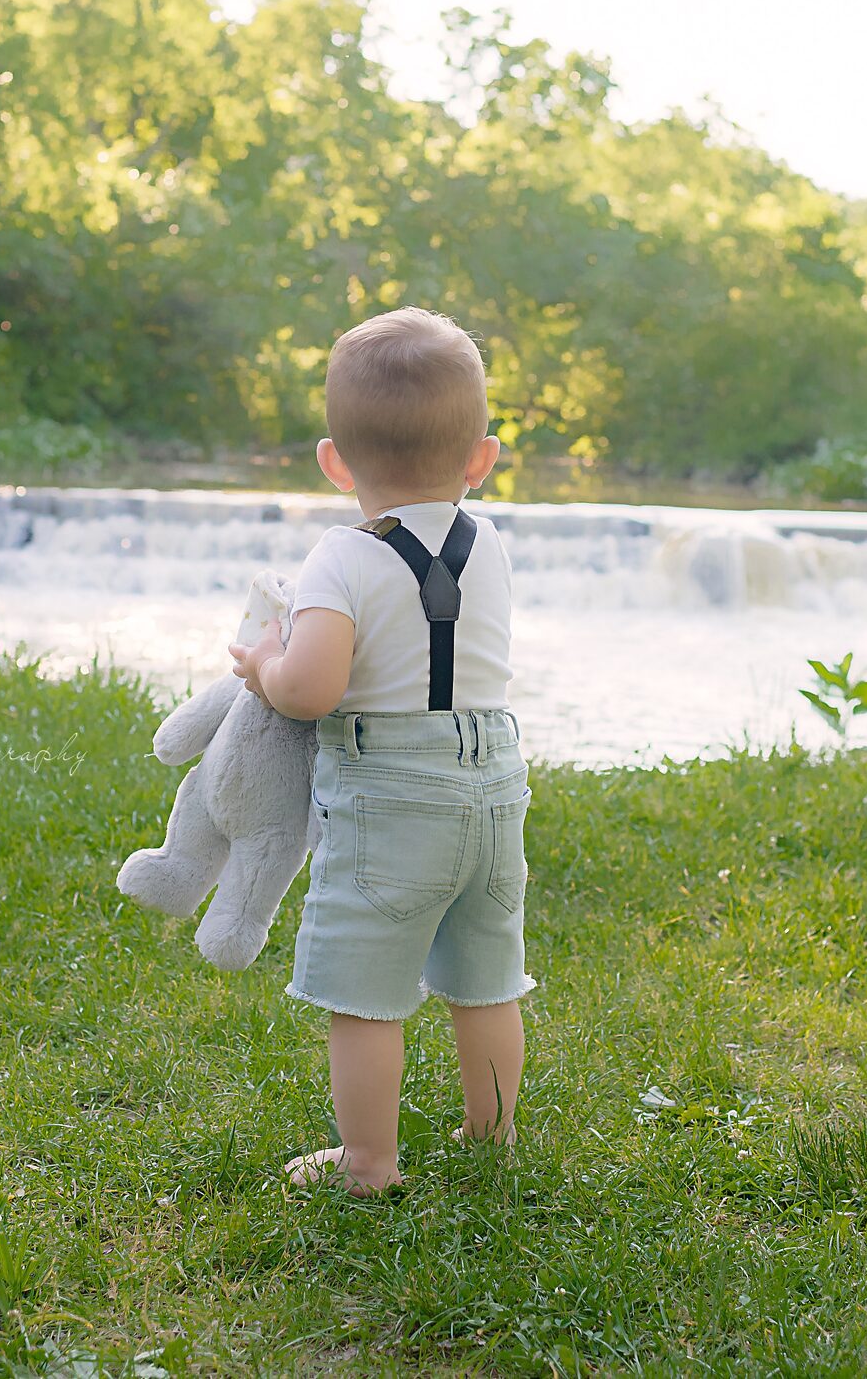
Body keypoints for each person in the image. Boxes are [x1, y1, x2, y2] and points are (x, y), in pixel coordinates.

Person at [229, 306, 534, 1195]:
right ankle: (492, 1133)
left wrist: (263, 665)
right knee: (487, 977)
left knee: (363, 991)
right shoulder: (494, 547)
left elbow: (313, 687)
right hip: (493, 782)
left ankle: (368, 1163)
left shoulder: (341, 558)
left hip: (392, 793)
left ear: (334, 460)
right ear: (481, 457)